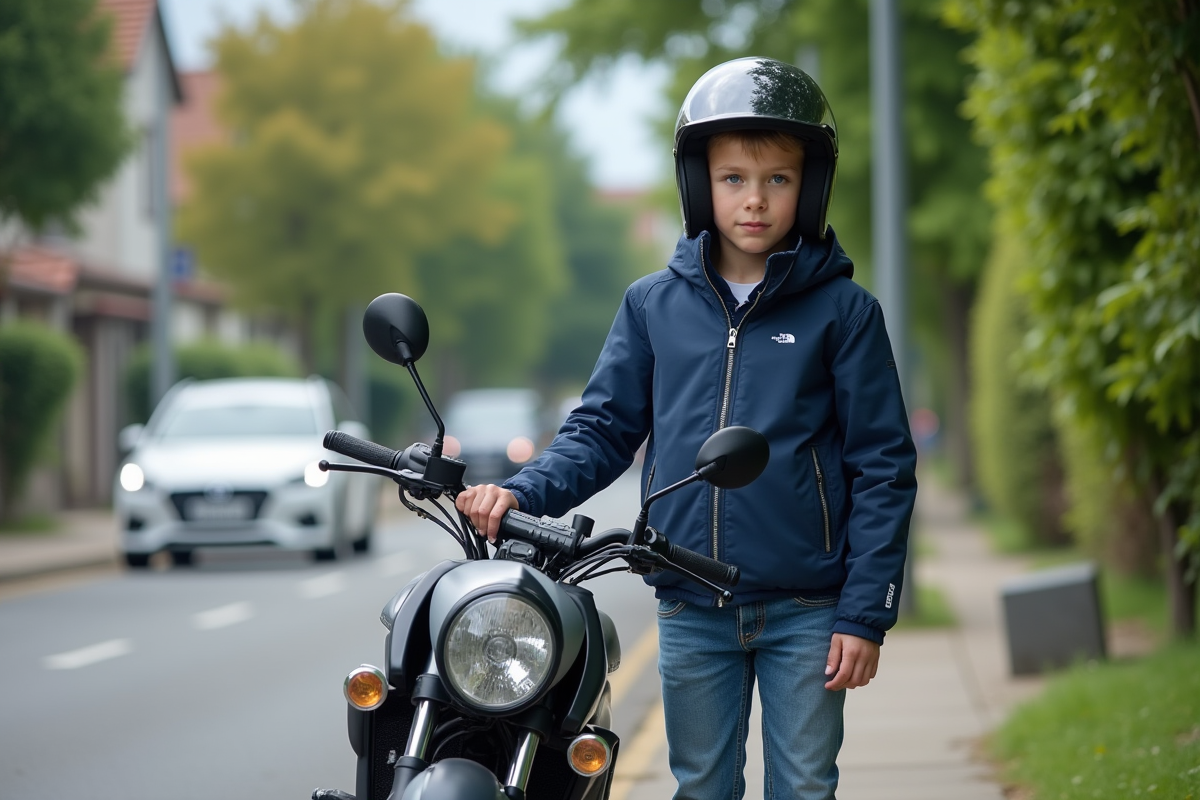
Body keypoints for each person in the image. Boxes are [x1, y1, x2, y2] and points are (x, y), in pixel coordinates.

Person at [457, 56, 917, 800]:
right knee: (701, 787)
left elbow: (883, 468)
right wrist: (521, 492)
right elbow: (603, 428)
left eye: (778, 179)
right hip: (689, 604)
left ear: (811, 186)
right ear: (701, 183)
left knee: (803, 787)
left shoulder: (845, 314)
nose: (756, 200)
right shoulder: (651, 306)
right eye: (734, 178)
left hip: (807, 609)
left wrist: (866, 614)